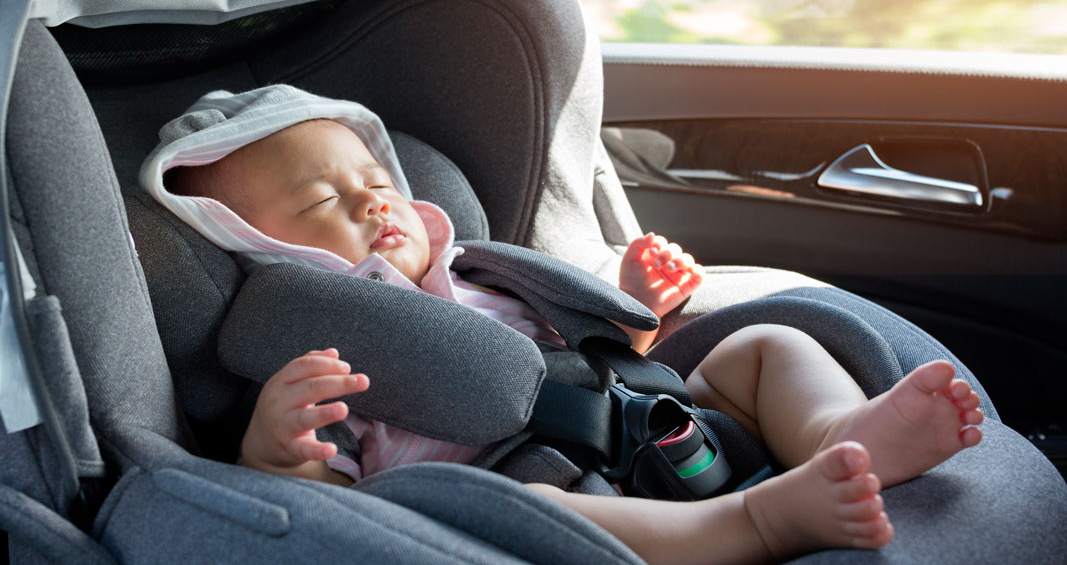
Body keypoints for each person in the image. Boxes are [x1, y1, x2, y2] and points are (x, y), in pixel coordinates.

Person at [143, 86, 984, 564]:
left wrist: (639, 313)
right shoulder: (319, 358)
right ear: (255, 244)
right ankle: (757, 523)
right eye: (322, 200)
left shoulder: (478, 271)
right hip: (534, 491)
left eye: (372, 177)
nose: (370, 197)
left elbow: (594, 368)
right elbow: (344, 513)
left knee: (764, 347)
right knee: (547, 505)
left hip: (643, 422)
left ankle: (845, 431)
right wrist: (277, 453)